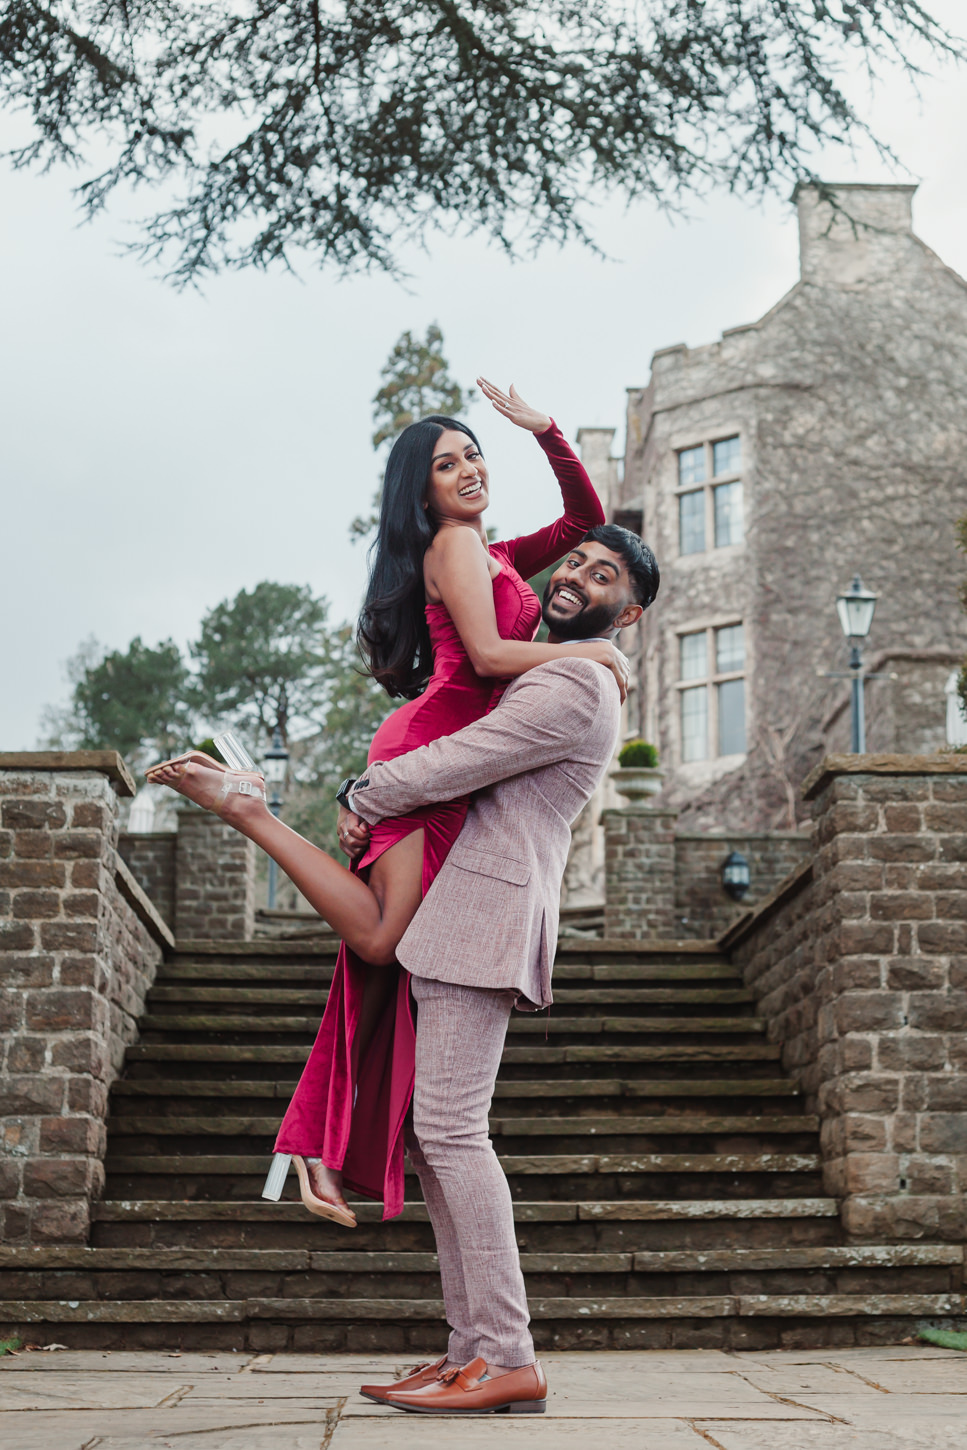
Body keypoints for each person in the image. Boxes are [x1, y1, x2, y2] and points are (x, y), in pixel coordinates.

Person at [146, 380, 631, 1224]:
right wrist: (590, 660)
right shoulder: (452, 548)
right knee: (377, 937)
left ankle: (323, 1147)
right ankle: (248, 808)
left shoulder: (496, 555)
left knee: (383, 954)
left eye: (474, 454)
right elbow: (482, 656)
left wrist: (548, 432)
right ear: (424, 490)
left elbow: (586, 520)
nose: (470, 469)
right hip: (424, 752)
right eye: (448, 464)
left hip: (447, 763)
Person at [343, 524, 659, 1414]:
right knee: (435, 1137)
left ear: (625, 614)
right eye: (576, 562)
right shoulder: (556, 668)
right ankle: (468, 1351)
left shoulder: (574, 679)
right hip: (470, 909)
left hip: (486, 907)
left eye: (604, 577)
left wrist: (365, 793)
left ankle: (507, 1355)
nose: (577, 576)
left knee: (450, 1133)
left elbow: (462, 761)